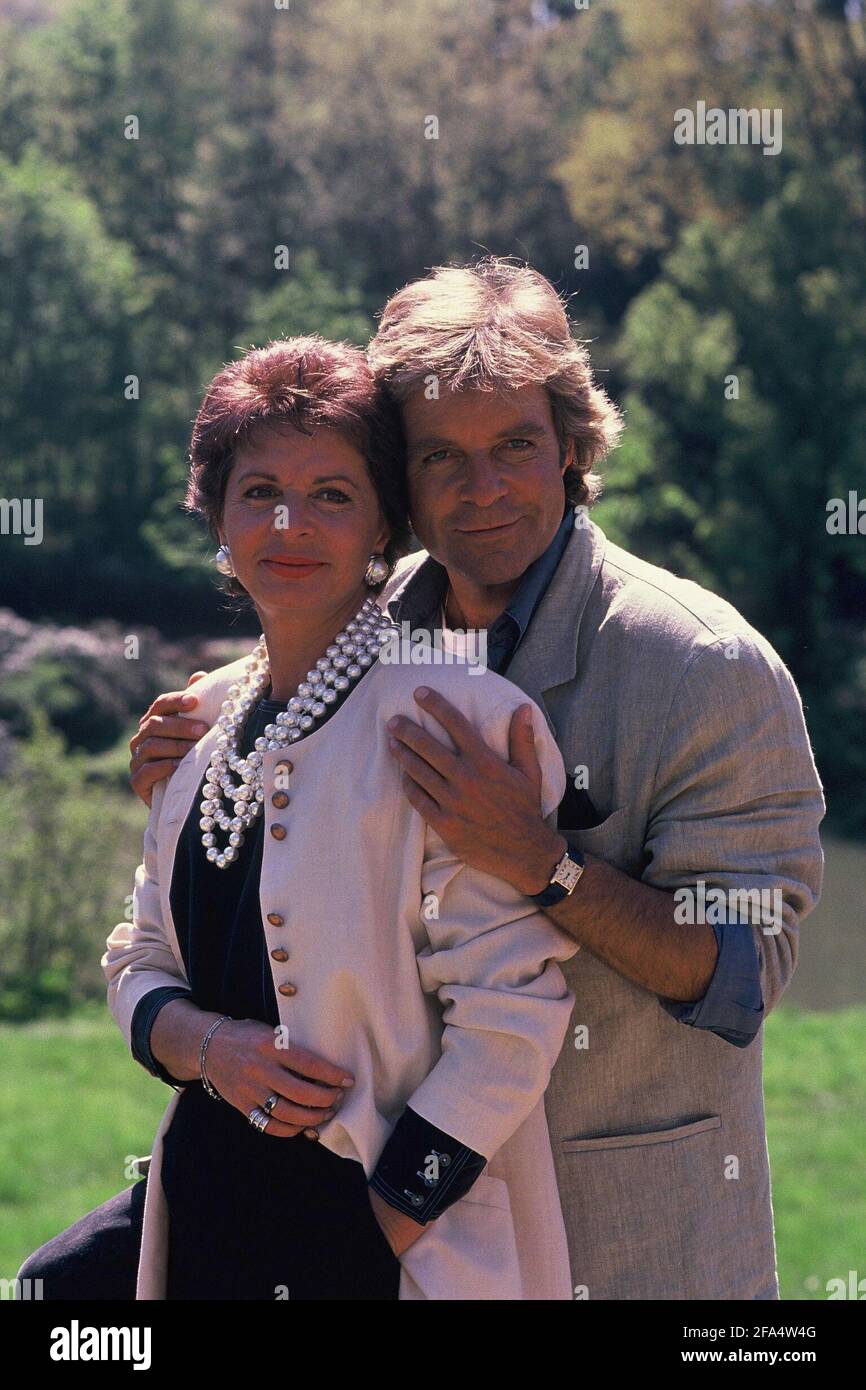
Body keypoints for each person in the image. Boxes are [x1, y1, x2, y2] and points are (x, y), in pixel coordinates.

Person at [130, 258, 826, 1300]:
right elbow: (265, 713)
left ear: (574, 446)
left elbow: (740, 973)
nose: (482, 487)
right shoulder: (371, 617)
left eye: (514, 446)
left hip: (630, 1241)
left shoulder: (699, 664)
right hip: (401, 1247)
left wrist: (549, 867)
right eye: (437, 457)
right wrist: (190, 765)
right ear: (397, 483)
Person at [17, 335, 577, 1302]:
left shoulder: (452, 717)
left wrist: (382, 1223)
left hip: (384, 1237)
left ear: (382, 530)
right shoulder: (200, 721)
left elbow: (514, 1015)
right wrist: (205, 1047)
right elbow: (136, 956)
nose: (290, 523)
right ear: (217, 522)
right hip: (209, 1205)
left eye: (332, 495)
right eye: (258, 491)